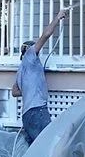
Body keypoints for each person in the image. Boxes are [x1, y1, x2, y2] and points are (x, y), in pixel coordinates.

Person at [12, 8, 70, 144]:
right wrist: (58, 17)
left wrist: (31, 88)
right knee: (47, 146)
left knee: (34, 149)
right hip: (37, 112)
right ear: (29, 50)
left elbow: (14, 92)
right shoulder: (30, 56)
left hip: (26, 116)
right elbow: (46, 35)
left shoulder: (21, 70)